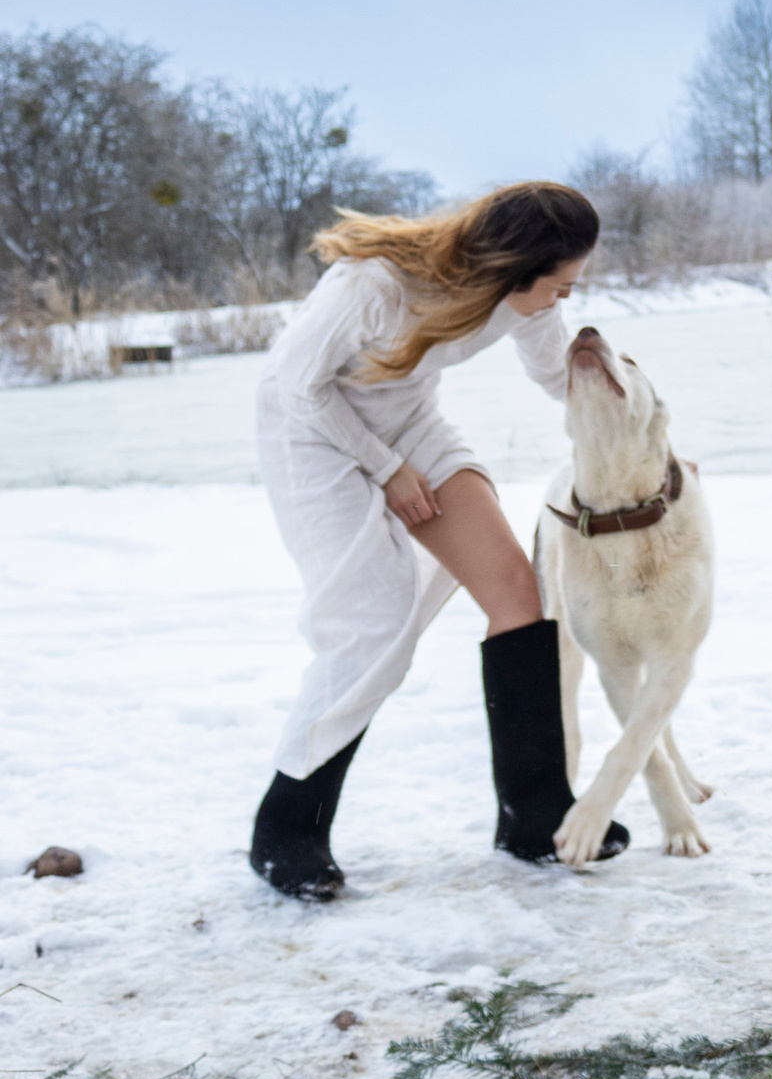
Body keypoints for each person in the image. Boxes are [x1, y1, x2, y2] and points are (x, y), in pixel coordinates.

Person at [246, 180, 627, 900]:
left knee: (516, 590)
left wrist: (650, 433)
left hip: (408, 423)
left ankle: (536, 817)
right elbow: (300, 386)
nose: (565, 300)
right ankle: (285, 830)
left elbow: (558, 374)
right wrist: (388, 472)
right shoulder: (374, 283)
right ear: (515, 267)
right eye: (561, 284)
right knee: (369, 628)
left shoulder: (521, 299)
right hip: (312, 432)